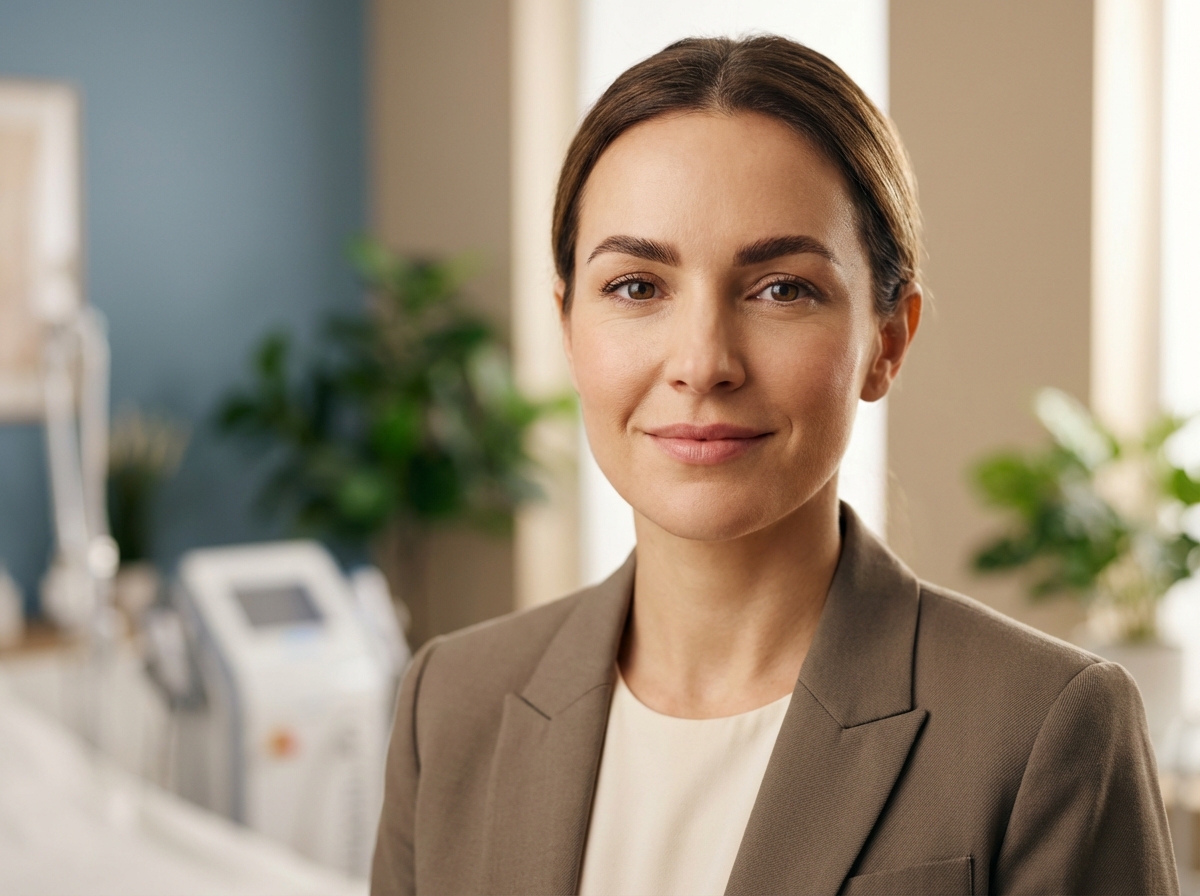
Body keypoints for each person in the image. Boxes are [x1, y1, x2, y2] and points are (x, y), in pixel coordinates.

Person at [371, 36, 1177, 896]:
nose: (702, 362)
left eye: (781, 288)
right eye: (637, 287)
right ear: (568, 326)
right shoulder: (451, 704)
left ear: (887, 342)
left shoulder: (1046, 727)